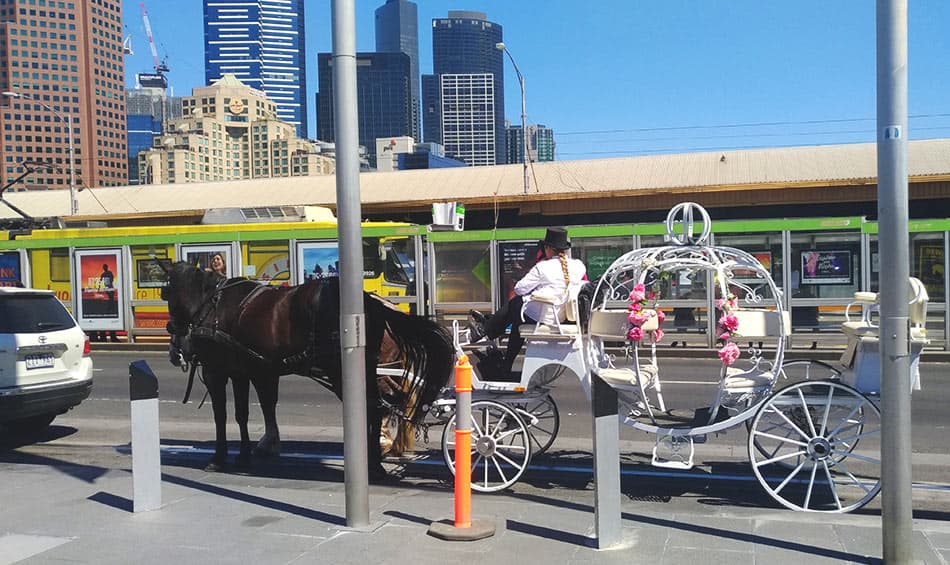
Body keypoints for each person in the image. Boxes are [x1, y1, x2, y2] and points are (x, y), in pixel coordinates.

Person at [468, 227, 587, 374]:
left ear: (548, 248)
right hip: (561, 315)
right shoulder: (578, 266)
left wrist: (534, 289)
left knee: (516, 303)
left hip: (544, 315)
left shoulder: (543, 267)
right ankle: (496, 339)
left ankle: (488, 329)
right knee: (517, 318)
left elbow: (519, 288)